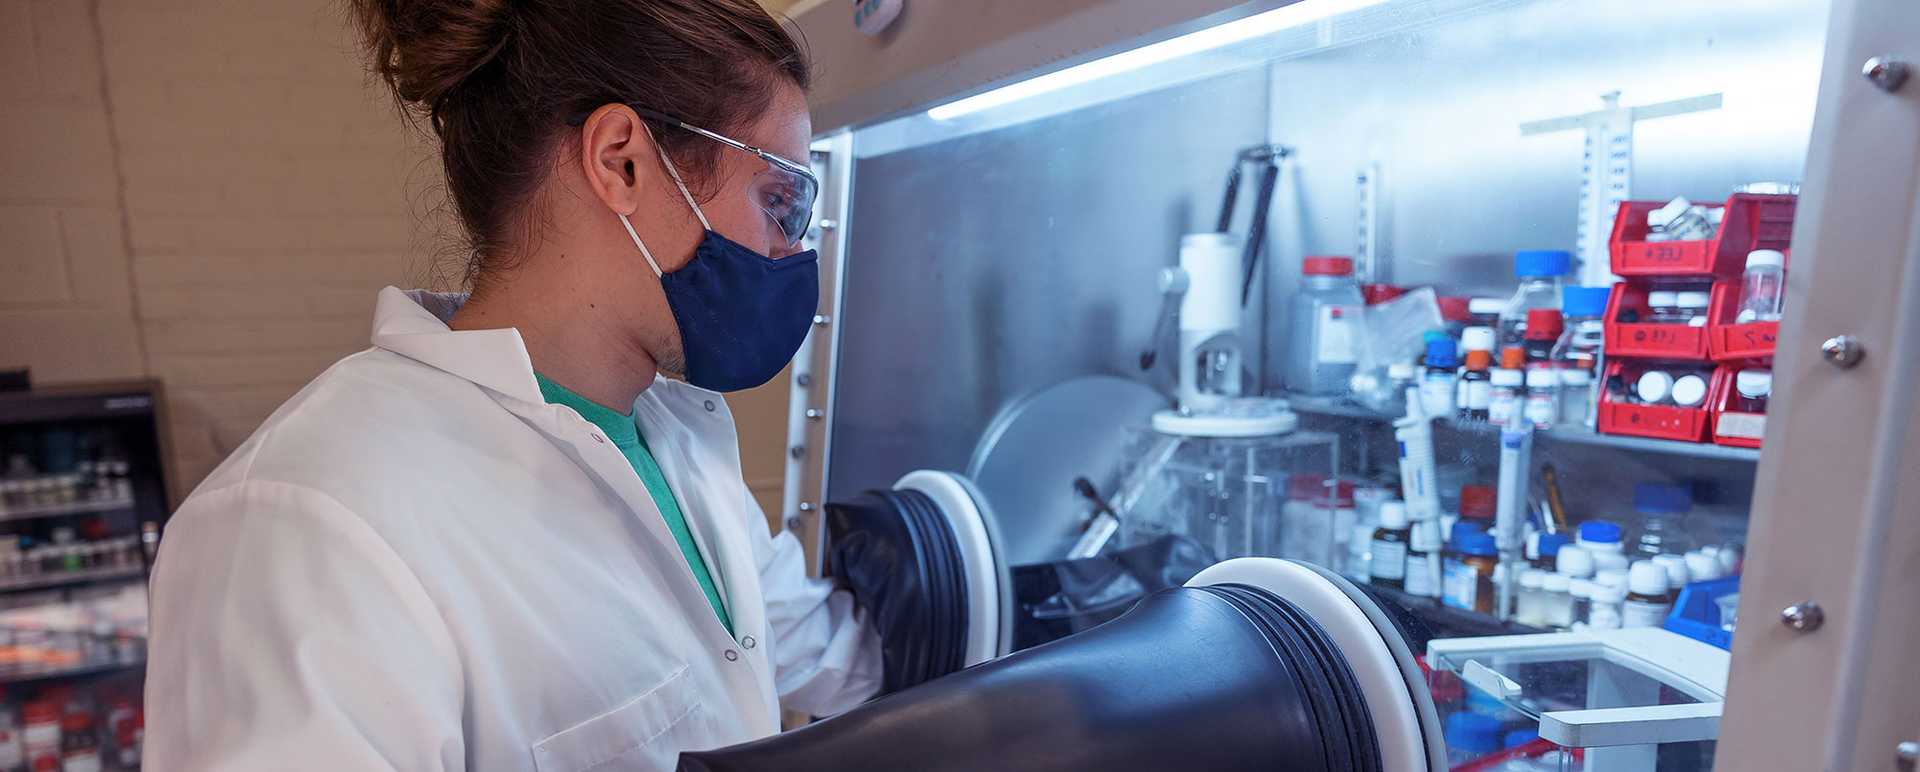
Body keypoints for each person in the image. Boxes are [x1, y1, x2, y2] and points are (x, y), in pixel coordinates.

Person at [142, 1, 882, 769]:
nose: (791, 251)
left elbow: (807, 643)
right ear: (621, 160)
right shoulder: (303, 525)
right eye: (781, 200)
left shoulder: (677, 439)